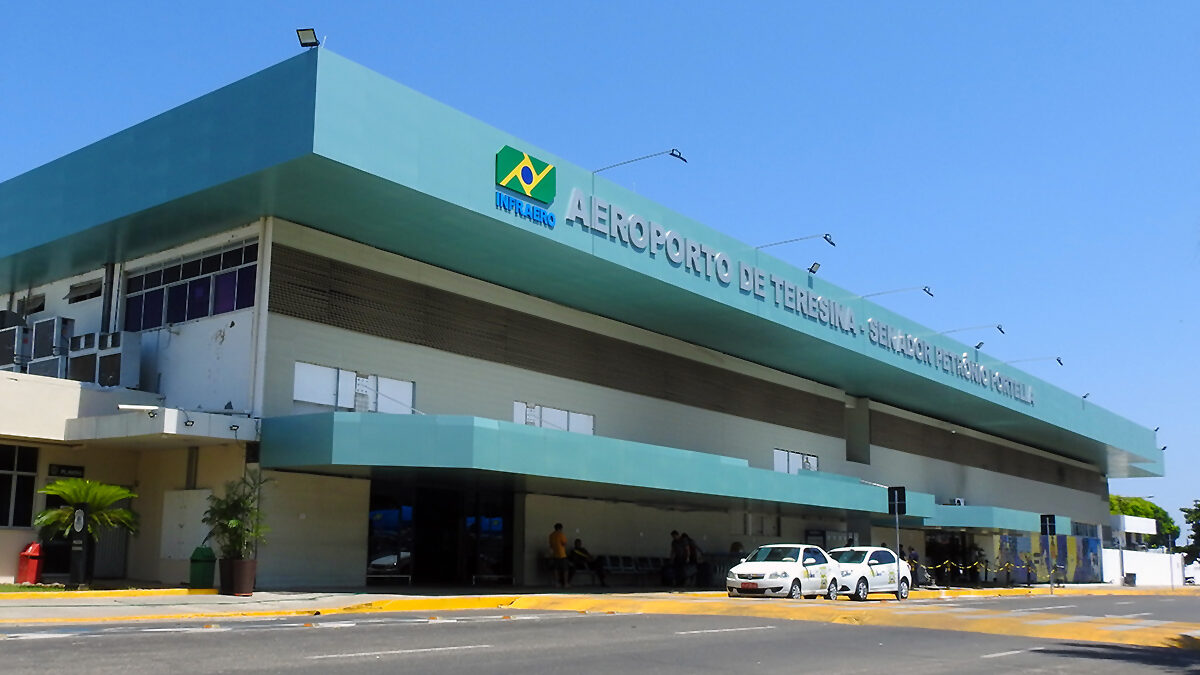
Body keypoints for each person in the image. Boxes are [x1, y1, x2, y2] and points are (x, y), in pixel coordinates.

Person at [548, 523, 568, 588]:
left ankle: (556, 583)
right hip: (562, 554)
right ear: (560, 528)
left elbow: (551, 545)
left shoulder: (551, 535)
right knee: (565, 570)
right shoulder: (561, 534)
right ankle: (565, 583)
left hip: (555, 554)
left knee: (556, 570)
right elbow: (564, 543)